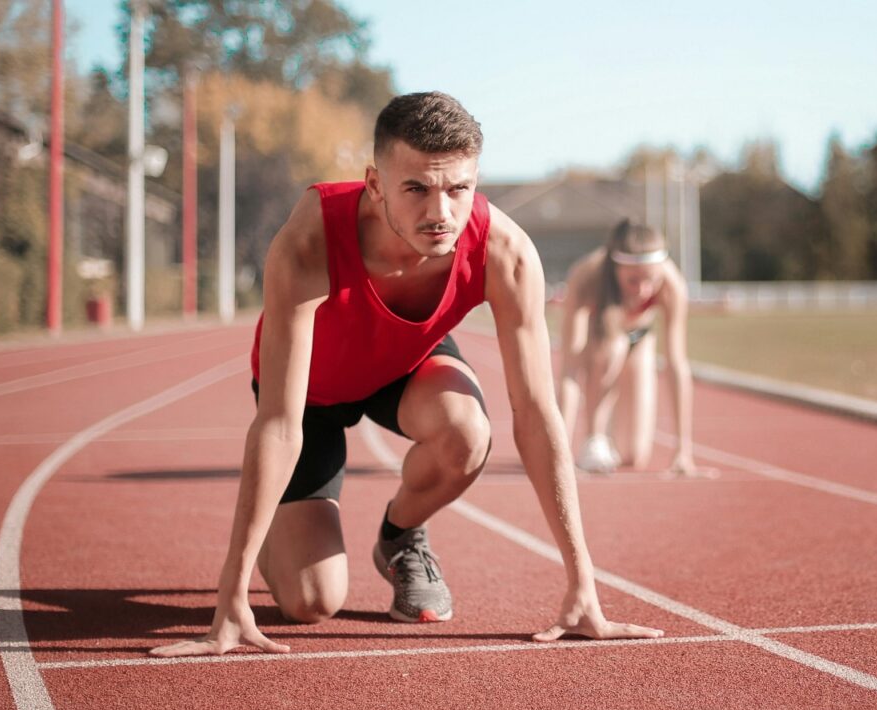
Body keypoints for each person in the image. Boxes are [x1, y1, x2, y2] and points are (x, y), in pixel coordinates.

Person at [151, 92, 662, 658]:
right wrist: (231, 595)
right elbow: (278, 421)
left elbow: (538, 414)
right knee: (311, 603)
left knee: (469, 432)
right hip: (311, 394)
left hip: (404, 366)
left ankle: (400, 536)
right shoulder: (310, 239)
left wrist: (582, 585)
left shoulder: (505, 252)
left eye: (457, 189)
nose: (439, 212)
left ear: (475, 180)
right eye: (416, 188)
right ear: (375, 184)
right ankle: (277, 525)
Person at [556, 220, 700, 475]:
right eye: (633, 281)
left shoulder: (672, 284)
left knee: (632, 455)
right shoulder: (587, 276)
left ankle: (612, 436)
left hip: (640, 338)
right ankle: (594, 437)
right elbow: (570, 369)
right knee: (614, 348)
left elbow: (676, 364)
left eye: (651, 280)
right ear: (616, 269)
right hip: (598, 339)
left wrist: (683, 451)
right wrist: (559, 451)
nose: (643, 291)